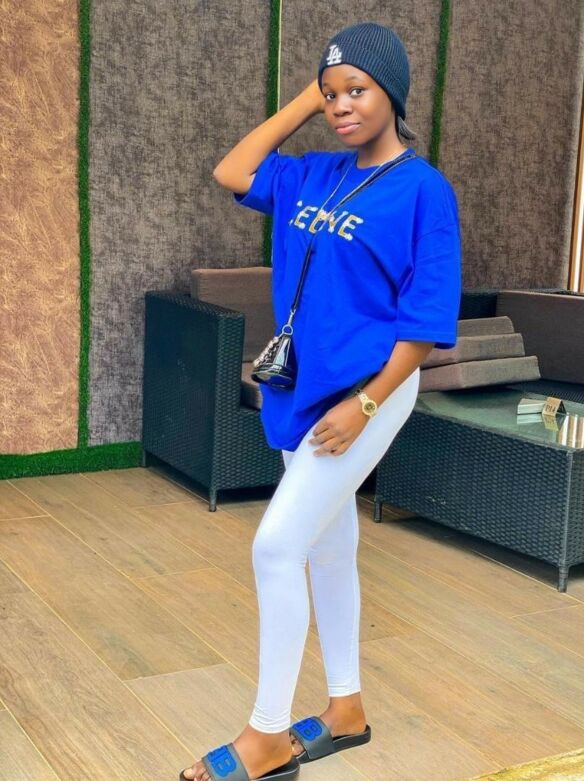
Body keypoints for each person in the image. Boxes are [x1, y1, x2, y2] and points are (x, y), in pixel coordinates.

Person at [180, 21, 461, 781]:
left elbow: (425, 321)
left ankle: (267, 733)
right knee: (330, 546)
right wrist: (308, 97)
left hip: (368, 392)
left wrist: (366, 405)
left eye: (357, 90)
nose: (341, 106)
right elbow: (233, 170)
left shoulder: (423, 192)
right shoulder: (314, 173)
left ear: (392, 93)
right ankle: (346, 707)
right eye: (331, 93)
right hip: (303, 386)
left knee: (277, 546)